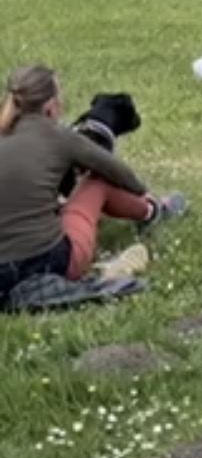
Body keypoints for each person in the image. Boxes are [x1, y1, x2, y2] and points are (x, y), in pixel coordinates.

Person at [0, 66, 186, 299]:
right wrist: (141, 191)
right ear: (50, 107)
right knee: (98, 182)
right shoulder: (61, 138)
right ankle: (153, 211)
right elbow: (122, 176)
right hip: (45, 260)